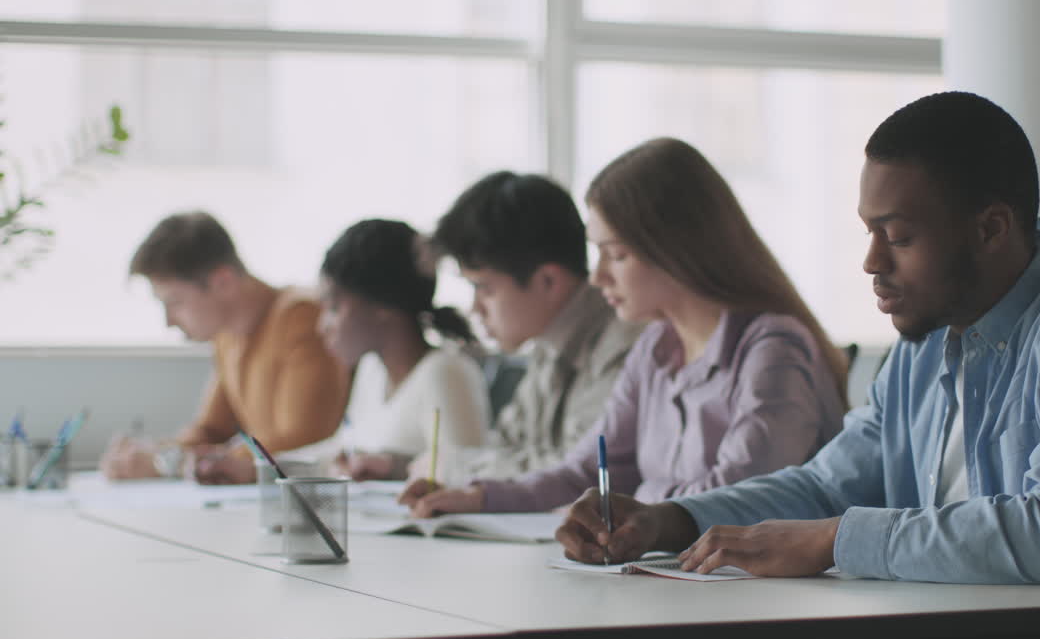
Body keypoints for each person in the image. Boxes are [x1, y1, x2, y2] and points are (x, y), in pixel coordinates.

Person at [556, 93, 1040, 639]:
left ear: (991, 229)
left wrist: (836, 539)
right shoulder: (928, 337)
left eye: (899, 236)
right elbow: (829, 483)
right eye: (868, 230)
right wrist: (671, 519)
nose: (870, 262)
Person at [402, 138, 848, 516]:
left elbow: (739, 498)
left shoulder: (772, 349)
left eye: (615, 255)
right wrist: (478, 498)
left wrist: (641, 503)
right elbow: (586, 472)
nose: (597, 278)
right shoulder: (655, 348)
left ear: (676, 250)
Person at [403, 171, 643, 490]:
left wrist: (454, 468)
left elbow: (579, 472)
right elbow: (505, 448)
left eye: (484, 289)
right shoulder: (548, 346)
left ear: (548, 281)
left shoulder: (626, 345)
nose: (475, 309)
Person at [100, 211, 351, 484]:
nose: (169, 321)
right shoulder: (227, 336)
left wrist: (166, 464)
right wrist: (151, 454)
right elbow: (210, 430)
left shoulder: (301, 317)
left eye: (175, 303)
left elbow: (302, 441)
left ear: (223, 281)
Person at [312, 219, 490, 483]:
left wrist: (395, 467)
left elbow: (469, 478)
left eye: (335, 308)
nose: (321, 326)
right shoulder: (372, 370)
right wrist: (262, 464)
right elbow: (337, 451)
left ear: (381, 305)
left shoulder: (445, 372)